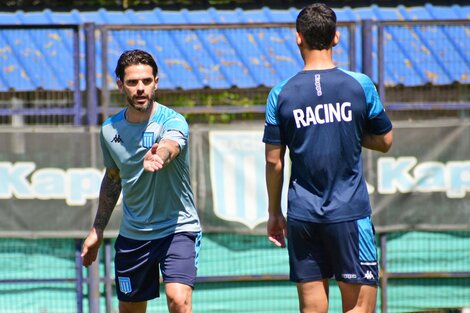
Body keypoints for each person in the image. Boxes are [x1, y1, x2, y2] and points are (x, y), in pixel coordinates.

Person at [263, 3, 393, 313]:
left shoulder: (280, 93)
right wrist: (345, 129)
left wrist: (274, 212)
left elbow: (273, 161)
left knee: (312, 309)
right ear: (336, 38)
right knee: (359, 308)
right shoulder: (359, 85)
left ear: (298, 38)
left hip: (302, 214)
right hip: (350, 212)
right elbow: (386, 140)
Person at [81, 49, 202, 313]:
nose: (140, 88)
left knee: (178, 300)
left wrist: (160, 155)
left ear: (156, 82)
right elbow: (113, 179)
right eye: (133, 82)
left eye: (146, 81)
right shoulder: (110, 130)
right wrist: (97, 229)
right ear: (120, 85)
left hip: (177, 229)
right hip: (134, 235)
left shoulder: (172, 120)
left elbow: (171, 144)